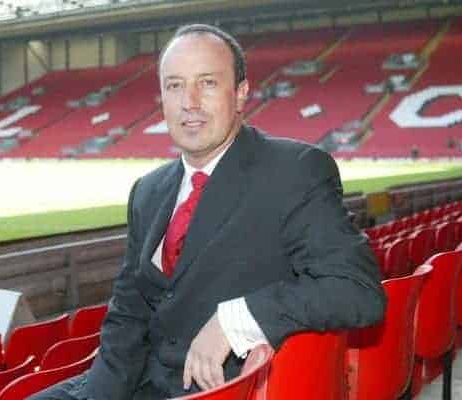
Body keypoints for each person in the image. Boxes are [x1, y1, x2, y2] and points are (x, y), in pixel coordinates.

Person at [30, 23, 386, 400]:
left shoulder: (295, 170)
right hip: (136, 382)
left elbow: (358, 291)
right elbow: (128, 315)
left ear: (241, 94)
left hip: (226, 390)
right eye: (175, 85)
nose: (190, 102)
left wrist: (235, 321)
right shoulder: (147, 192)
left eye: (208, 83)